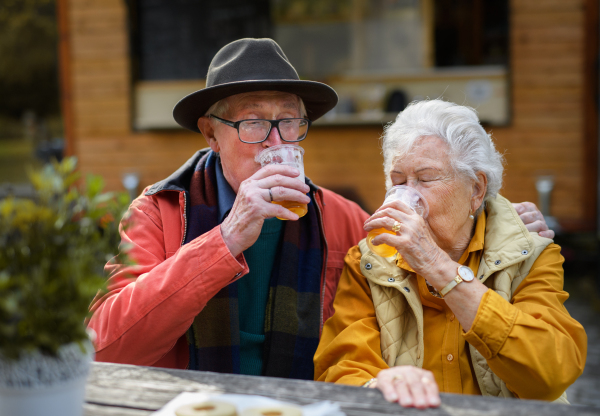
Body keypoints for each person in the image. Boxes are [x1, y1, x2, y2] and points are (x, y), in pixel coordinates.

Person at [87, 39, 555, 380]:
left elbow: (416, 275)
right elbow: (107, 348)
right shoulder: (159, 212)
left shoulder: (343, 217)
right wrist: (227, 237)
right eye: (252, 122)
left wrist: (492, 222)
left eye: (289, 121)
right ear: (211, 134)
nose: (275, 142)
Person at [313, 99, 587, 406]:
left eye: (426, 178)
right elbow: (342, 370)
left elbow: (550, 374)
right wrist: (376, 385)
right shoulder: (370, 261)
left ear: (476, 189)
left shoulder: (530, 254)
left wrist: (436, 265)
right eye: (399, 180)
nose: (409, 194)